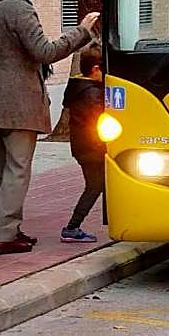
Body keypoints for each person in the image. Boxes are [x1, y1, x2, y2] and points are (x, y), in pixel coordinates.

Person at [0, 0, 99, 255]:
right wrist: (81, 31)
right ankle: (5, 235)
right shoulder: (19, 9)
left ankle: (6, 228)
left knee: (2, 171)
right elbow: (45, 52)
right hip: (18, 105)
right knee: (18, 169)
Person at [61, 44, 105, 243]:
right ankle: (72, 227)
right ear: (95, 69)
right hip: (92, 149)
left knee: (99, 184)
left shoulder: (78, 87)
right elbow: (99, 121)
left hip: (83, 148)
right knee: (95, 186)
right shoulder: (92, 94)